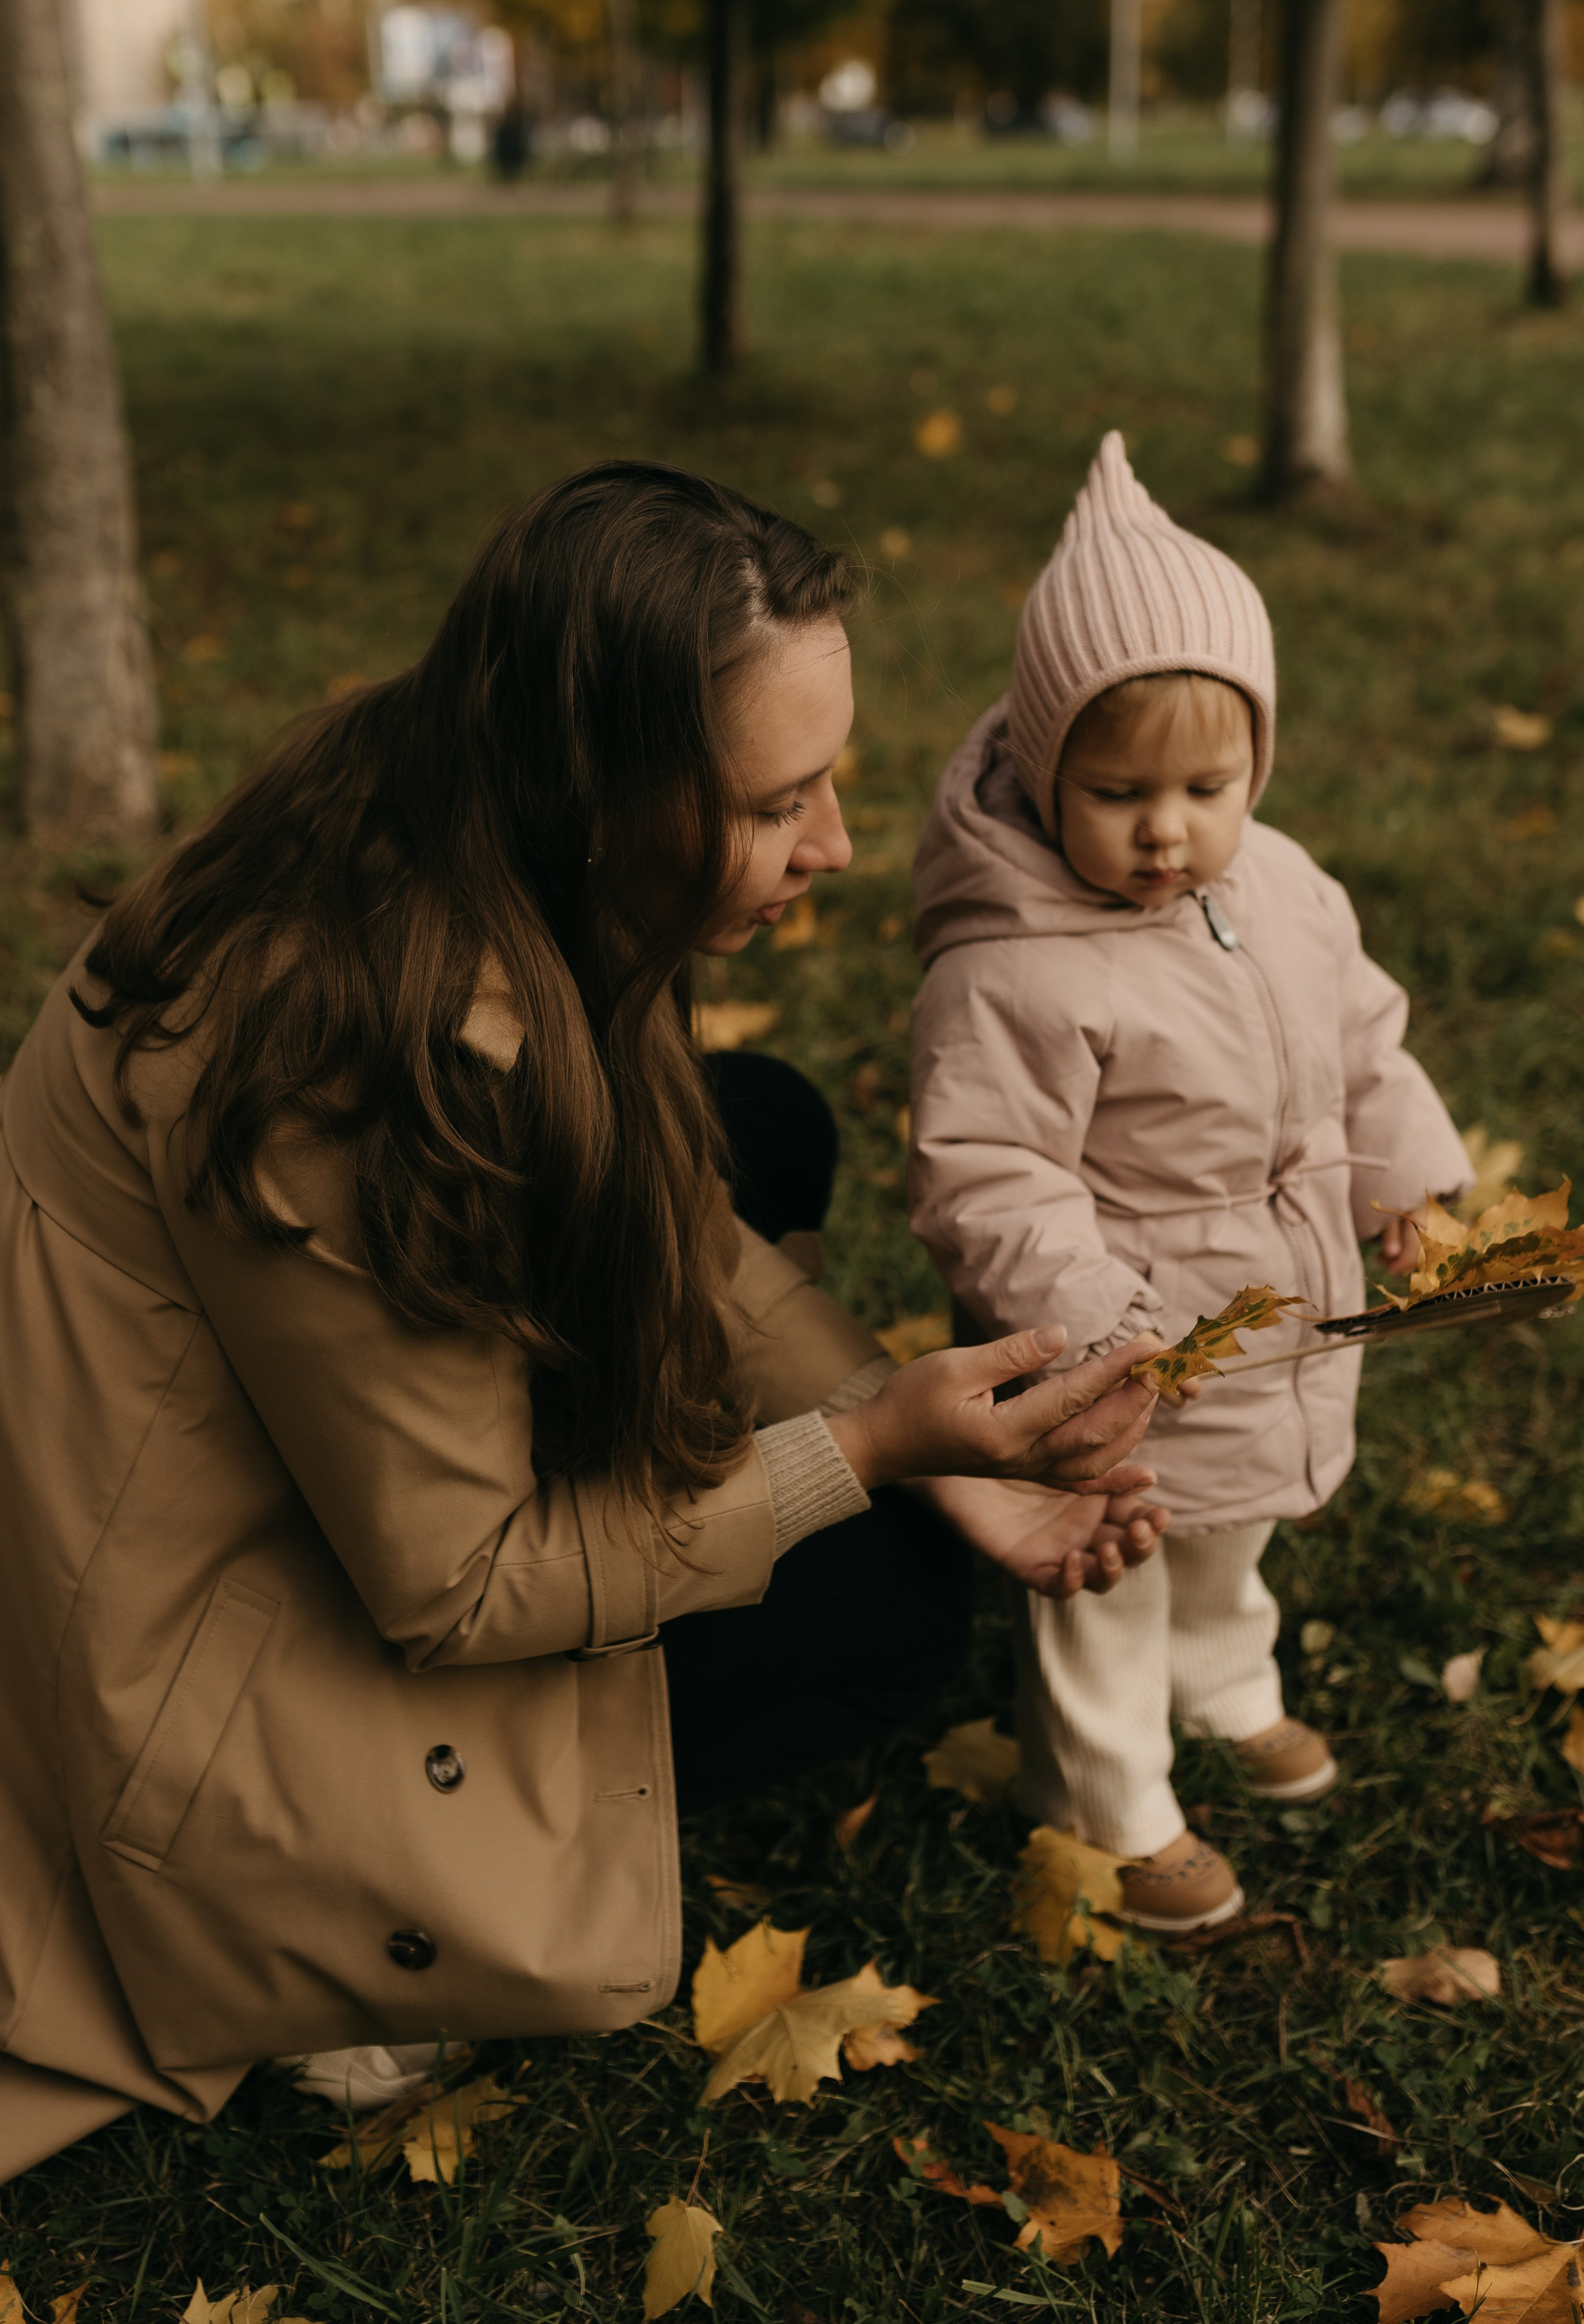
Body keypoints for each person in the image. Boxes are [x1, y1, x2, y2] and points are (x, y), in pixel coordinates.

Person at [0, 462, 1171, 2179]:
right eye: (782, 804)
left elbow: (669, 1197)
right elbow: (459, 1579)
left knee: (754, 1120)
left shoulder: (429, 787)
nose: (836, 844)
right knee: (896, 1601)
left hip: (212, 1439)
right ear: (600, 796)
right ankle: (338, 1949)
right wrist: (863, 1452)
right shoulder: (360, 1073)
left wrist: (898, 1419)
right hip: (196, 1673)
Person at [908, 433, 1472, 1934]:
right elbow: (987, 1171)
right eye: (1117, 791)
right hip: (1117, 1334)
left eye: (1206, 785)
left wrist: (1399, 1177)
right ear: (1041, 771)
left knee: (1231, 1528)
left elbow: (1357, 1035)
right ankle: (1104, 1794)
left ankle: (1222, 1681)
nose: (1167, 829)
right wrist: (1101, 1322)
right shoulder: (1013, 969)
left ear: (1256, 767)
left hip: (1266, 1303)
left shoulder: (1279, 884)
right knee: (1113, 1554)